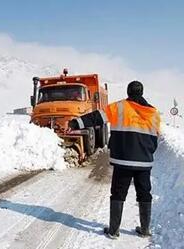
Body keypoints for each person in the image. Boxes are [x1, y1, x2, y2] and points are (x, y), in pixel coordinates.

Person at [68, 81, 160, 239]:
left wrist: (76, 122)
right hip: (144, 162)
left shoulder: (119, 107)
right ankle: (145, 230)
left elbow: (96, 117)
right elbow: (155, 138)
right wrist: (147, 152)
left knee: (118, 194)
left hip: (123, 161)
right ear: (142, 92)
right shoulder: (153, 113)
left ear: (128, 92)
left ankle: (113, 231)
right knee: (145, 194)